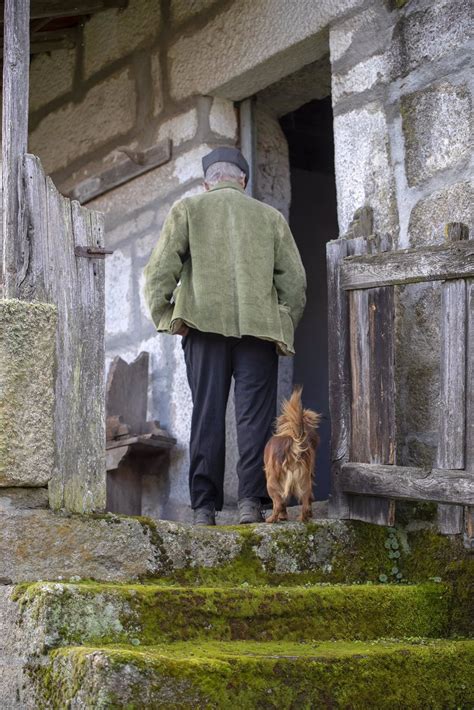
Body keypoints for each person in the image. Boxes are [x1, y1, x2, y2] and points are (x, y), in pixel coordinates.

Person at [144, 146, 306, 525]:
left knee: (207, 414)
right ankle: (251, 502)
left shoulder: (188, 210)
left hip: (202, 328)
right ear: (243, 181)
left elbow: (157, 274)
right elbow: (295, 285)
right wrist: (280, 323)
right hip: (258, 332)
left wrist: (168, 317)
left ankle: (203, 509)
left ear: (207, 183)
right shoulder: (270, 218)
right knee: (254, 419)